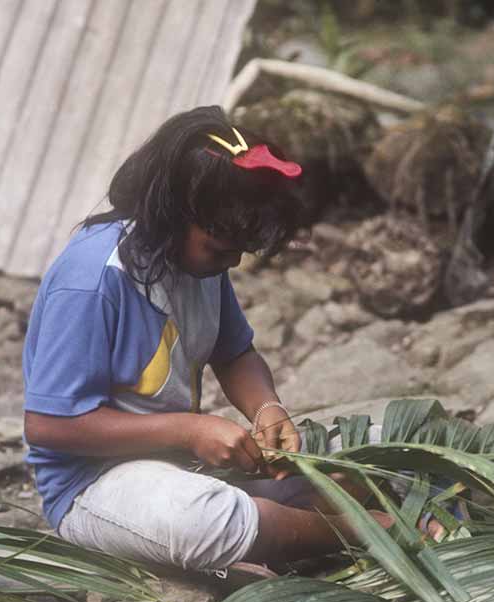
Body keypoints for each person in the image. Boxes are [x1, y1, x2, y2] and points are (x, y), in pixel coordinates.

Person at [22, 105, 389, 575]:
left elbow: (235, 352)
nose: (231, 262)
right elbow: (50, 425)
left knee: (379, 447)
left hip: (186, 466)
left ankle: (283, 523)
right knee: (206, 520)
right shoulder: (92, 280)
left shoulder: (196, 259)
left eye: (239, 250)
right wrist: (189, 430)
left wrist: (267, 409)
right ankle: (363, 531)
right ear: (173, 215)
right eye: (219, 248)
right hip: (93, 484)